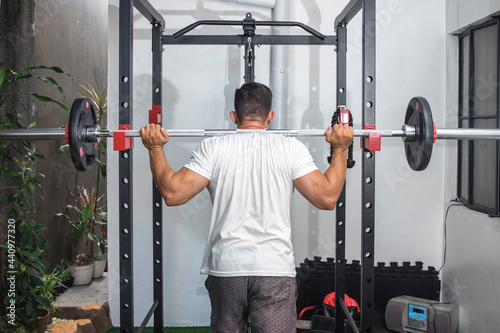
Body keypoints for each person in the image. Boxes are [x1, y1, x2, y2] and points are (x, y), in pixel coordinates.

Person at [141, 82, 353, 333]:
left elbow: (173, 193)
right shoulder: (291, 148)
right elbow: (327, 198)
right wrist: (340, 148)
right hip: (273, 269)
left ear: (233, 116)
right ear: (270, 117)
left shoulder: (213, 147)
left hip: (228, 268)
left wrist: (155, 148)